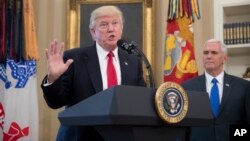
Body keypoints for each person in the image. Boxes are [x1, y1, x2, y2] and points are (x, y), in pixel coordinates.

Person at [41, 5, 146, 141]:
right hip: (81, 136)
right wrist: (53, 79)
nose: (111, 29)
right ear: (93, 32)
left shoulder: (133, 62)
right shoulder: (74, 58)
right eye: (103, 25)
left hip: (122, 135)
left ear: (121, 29)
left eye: (115, 23)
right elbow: (56, 102)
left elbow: (139, 101)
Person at [181, 39, 250, 141]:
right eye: (205, 53)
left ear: (224, 58)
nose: (208, 56)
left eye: (214, 53)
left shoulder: (243, 87)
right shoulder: (187, 87)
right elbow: (183, 127)